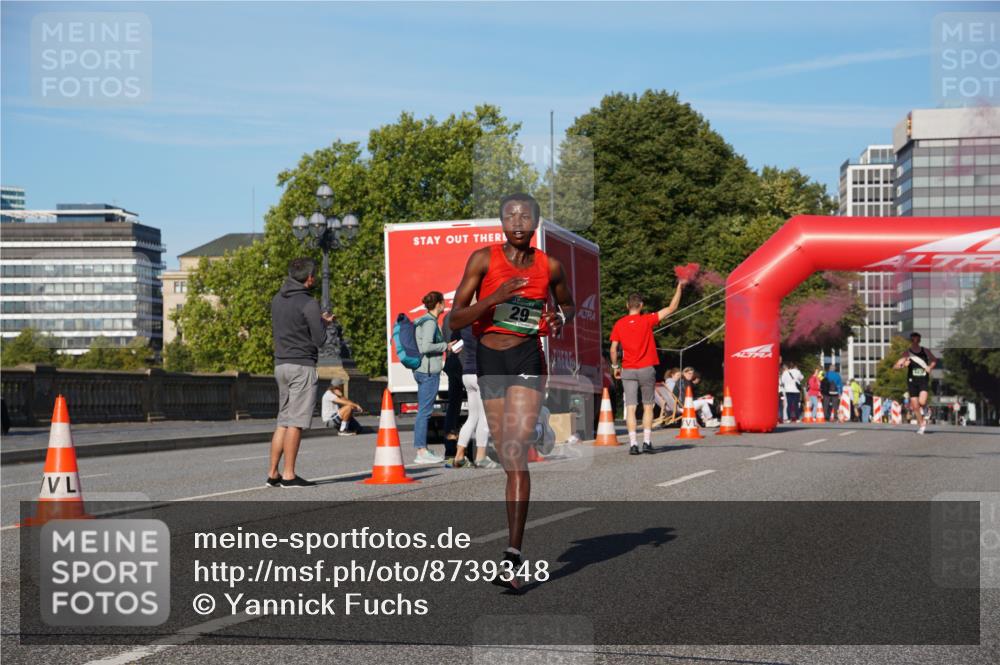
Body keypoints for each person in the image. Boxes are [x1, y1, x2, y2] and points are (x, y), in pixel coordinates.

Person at [448, 192, 574, 591]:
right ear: (501, 222)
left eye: (525, 216)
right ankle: (535, 426)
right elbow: (455, 320)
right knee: (507, 455)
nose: (517, 221)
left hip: (526, 359)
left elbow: (568, 305)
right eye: (510, 215)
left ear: (536, 222)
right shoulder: (483, 259)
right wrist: (494, 299)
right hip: (489, 361)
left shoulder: (549, 265)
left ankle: (512, 555)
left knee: (516, 451)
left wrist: (558, 318)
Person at [268, 257, 335, 488]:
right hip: (301, 365)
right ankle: (289, 475)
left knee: (283, 421)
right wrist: (324, 325)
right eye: (313, 275)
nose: (315, 278)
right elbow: (319, 340)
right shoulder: (309, 303)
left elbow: (291, 326)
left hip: (281, 365)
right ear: (308, 278)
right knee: (295, 422)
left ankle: (273, 473)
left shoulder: (277, 298)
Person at [610, 284, 685, 455]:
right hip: (646, 369)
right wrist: (679, 287)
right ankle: (647, 441)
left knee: (630, 407)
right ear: (641, 306)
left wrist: (615, 367)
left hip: (628, 369)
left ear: (627, 306)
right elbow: (672, 308)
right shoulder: (647, 320)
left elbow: (613, 349)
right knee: (648, 406)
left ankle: (633, 444)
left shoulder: (619, 324)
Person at [412, 291, 450, 464]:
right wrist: (446, 346)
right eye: (443, 302)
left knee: (423, 411)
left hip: (422, 370)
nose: (445, 305)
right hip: (428, 372)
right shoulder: (430, 323)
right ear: (439, 304)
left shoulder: (423, 320)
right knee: (424, 412)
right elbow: (426, 346)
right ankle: (421, 451)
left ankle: (423, 449)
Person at [453, 318, 495, 469]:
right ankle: (481, 456)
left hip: (467, 373)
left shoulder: (464, 325)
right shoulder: (483, 326)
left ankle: (459, 455)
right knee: (484, 416)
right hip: (481, 373)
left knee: (472, 417)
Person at [893, 332, 937, 435]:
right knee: (915, 406)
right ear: (911, 341)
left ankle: (926, 408)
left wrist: (930, 367)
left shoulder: (925, 351)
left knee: (921, 402)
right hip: (912, 382)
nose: (915, 342)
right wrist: (903, 365)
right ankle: (922, 425)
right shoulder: (907, 353)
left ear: (919, 340)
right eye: (913, 340)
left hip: (923, 380)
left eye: (917, 340)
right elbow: (895, 366)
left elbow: (934, 360)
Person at [440, 311, 464, 459]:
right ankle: (476, 448)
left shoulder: (448, 316)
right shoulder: (466, 314)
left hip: (451, 363)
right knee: (478, 407)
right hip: (464, 364)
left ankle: (450, 448)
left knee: (453, 406)